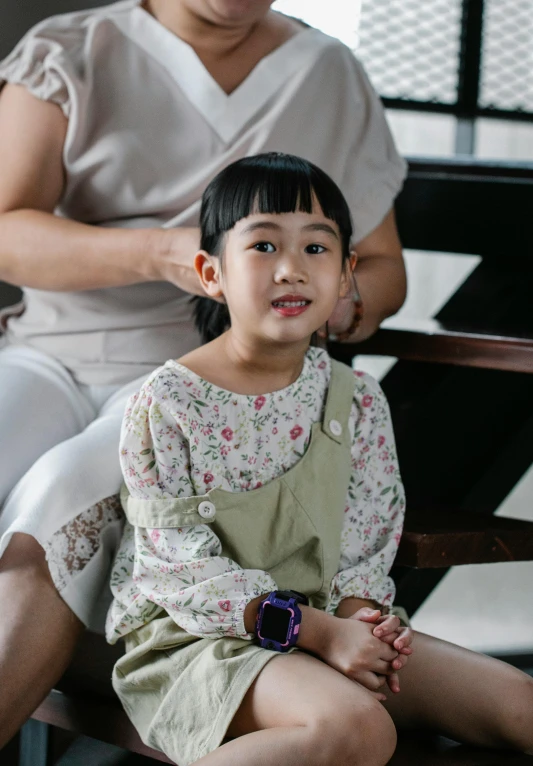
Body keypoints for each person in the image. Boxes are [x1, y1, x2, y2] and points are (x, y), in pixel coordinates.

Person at [0, 0, 407, 744]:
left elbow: (380, 269)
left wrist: (329, 301)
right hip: (46, 349)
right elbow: (4, 226)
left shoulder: (329, 74)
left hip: (204, 380)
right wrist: (161, 254)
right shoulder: (68, 51)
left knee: (54, 508)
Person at [107, 153, 533, 766]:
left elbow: (366, 538)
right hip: (203, 641)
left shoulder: (356, 400)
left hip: (329, 625)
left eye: (316, 249)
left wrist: (360, 621)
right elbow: (179, 570)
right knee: (362, 732)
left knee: (518, 702)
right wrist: (318, 632)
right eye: (262, 246)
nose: (291, 270)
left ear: (344, 274)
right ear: (211, 272)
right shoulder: (168, 402)